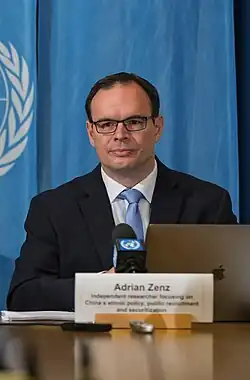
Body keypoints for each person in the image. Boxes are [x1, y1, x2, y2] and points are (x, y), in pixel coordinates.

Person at [7, 72, 237, 311]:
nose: (120, 135)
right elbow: (24, 295)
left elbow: (233, 292)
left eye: (134, 122)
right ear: (90, 133)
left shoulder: (208, 202)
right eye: (106, 125)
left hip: (183, 344)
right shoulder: (53, 208)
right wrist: (102, 289)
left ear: (157, 127)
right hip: (83, 347)